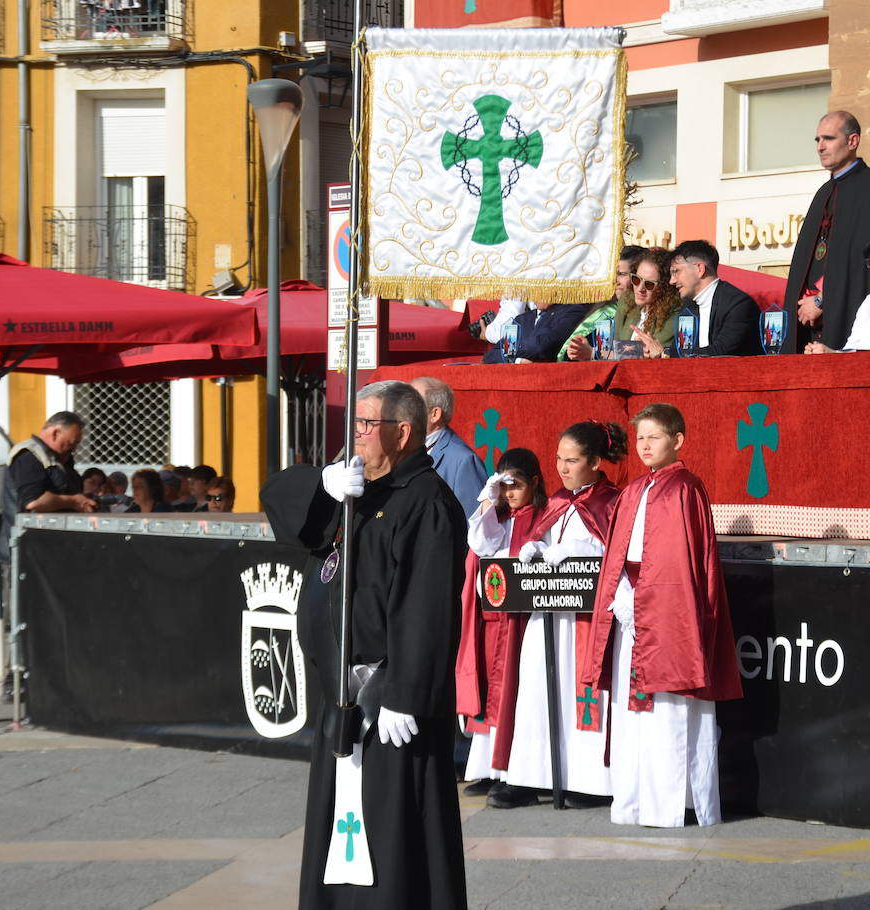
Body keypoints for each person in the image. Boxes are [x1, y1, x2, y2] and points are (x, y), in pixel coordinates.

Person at [261, 380, 467, 910]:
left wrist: (405, 691)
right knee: (342, 825)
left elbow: (427, 605)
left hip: (390, 702)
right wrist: (324, 487)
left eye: (367, 425)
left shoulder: (427, 502)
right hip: (343, 696)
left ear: (403, 432)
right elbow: (288, 513)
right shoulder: (361, 489)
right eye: (354, 425)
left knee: (393, 829)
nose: (356, 436)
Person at [580, 403, 742, 828]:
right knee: (632, 712)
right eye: (640, 438)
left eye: (654, 437)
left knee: (669, 708)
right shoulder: (633, 490)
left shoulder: (685, 488)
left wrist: (649, 597)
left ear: (678, 440)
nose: (646, 445)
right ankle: (633, 800)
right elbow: (618, 552)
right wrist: (619, 591)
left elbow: (683, 562)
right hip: (628, 609)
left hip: (669, 614)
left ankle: (668, 806)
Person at [501, 420, 626, 809]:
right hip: (548, 610)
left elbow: (613, 554)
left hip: (584, 619)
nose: (563, 468)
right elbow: (543, 535)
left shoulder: (610, 501)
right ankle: (530, 774)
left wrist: (577, 553)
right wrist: (535, 548)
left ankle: (587, 779)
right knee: (537, 687)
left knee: (582, 693)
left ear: (594, 462)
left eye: (572, 461)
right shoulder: (557, 499)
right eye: (559, 459)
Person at [455, 448, 546, 802]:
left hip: (521, 625)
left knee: (512, 696)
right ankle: (489, 768)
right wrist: (488, 503)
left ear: (534, 482)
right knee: (490, 693)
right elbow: (480, 542)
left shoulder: (541, 517)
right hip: (492, 621)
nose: (509, 493)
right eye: (503, 486)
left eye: (516, 485)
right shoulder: (502, 517)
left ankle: (512, 770)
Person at [784, 111, 870, 352]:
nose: (820, 146)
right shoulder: (824, 192)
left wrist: (821, 301)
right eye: (817, 140)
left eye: (828, 138)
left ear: (852, 141)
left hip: (848, 315)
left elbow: (867, 263)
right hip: (809, 322)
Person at [640, 239, 760, 357]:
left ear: (699, 269)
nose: (672, 281)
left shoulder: (738, 304)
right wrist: (662, 352)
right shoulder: (688, 308)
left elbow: (721, 351)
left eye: (676, 271)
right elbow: (681, 350)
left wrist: (665, 353)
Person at [411, 376, 488, 514]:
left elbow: (473, 524)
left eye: (412, 405)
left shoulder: (463, 461)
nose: (403, 412)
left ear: (434, 414)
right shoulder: (402, 449)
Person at [4, 411, 96, 523]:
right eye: (71, 443)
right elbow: (35, 502)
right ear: (55, 433)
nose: (74, 449)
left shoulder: (60, 459)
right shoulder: (28, 456)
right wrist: (74, 501)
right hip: (27, 536)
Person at [561, 244, 647, 360]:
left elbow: (644, 350)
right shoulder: (606, 310)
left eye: (621, 274)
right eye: (613, 274)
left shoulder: (651, 310)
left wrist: (593, 353)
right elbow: (603, 349)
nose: (615, 281)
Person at [483, 300, 590, 364]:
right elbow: (493, 355)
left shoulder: (571, 311)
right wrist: (519, 361)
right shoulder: (522, 319)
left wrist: (512, 350)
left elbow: (541, 347)